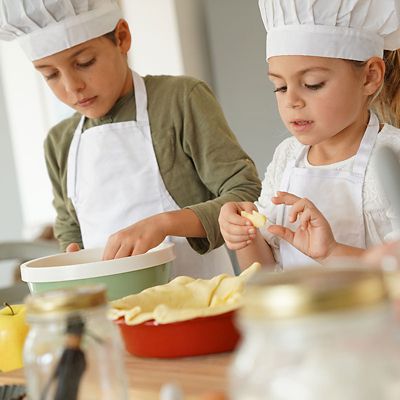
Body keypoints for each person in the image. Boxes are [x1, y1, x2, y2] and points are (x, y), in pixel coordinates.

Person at [0, 0, 261, 279]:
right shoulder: (59, 142)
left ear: (122, 38)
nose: (71, 86)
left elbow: (245, 194)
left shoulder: (180, 99)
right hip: (111, 309)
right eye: (50, 75)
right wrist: (72, 256)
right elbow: (69, 226)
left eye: (84, 62)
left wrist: (165, 224)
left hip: (201, 297)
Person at [219, 0, 400, 270]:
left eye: (312, 84)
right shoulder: (287, 157)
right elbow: (264, 276)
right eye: (279, 87)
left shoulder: (392, 156)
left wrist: (332, 252)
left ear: (369, 77)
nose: (292, 101)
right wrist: (245, 234)